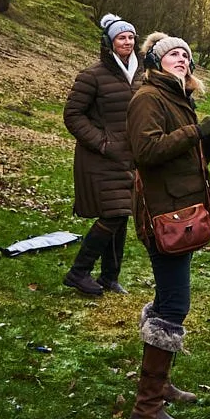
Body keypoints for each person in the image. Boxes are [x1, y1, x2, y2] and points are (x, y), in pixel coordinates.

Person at [125, 32, 210, 419]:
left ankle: (161, 385)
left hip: (180, 212)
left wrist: (208, 143)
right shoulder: (148, 98)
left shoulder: (177, 98)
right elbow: (147, 152)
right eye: (173, 54)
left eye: (187, 54)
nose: (182, 58)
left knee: (169, 298)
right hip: (163, 216)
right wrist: (194, 133)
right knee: (173, 305)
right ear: (155, 61)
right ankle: (146, 410)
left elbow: (182, 158)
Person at [62, 15, 139, 297]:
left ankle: (109, 277)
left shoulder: (139, 75)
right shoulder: (92, 75)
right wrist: (102, 143)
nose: (127, 42)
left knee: (122, 214)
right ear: (109, 43)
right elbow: (72, 115)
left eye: (131, 37)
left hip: (129, 157)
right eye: (121, 38)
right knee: (115, 213)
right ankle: (78, 273)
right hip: (100, 157)